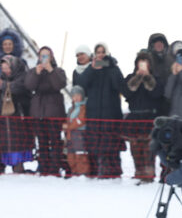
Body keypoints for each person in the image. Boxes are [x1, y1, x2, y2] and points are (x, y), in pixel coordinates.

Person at [76, 43, 124, 178]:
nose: (100, 54)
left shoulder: (114, 68)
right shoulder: (91, 69)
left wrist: (110, 67)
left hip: (111, 113)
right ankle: (97, 170)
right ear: (94, 54)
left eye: (103, 52)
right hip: (94, 113)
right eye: (98, 52)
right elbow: (81, 83)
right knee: (95, 143)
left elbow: (120, 85)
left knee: (111, 144)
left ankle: (114, 171)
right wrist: (92, 69)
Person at [23, 45, 67, 177]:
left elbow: (60, 84)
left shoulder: (58, 71)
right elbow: (29, 86)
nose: (44, 58)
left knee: (55, 140)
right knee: (41, 141)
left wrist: (50, 70)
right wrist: (36, 73)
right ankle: (43, 167)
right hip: (38, 111)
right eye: (42, 55)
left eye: (46, 55)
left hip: (54, 111)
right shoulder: (33, 71)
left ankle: (55, 168)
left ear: (51, 57)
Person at [123, 50, 164, 182]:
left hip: (150, 117)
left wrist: (147, 79)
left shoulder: (156, 78)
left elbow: (157, 94)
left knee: (149, 149)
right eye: (140, 63)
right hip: (134, 118)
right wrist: (137, 78)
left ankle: (148, 175)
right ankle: (138, 172)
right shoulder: (130, 77)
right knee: (135, 148)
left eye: (145, 63)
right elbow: (127, 93)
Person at [64, 86, 89, 176]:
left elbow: (80, 120)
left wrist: (69, 126)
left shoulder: (84, 107)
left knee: (80, 153)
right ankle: (74, 171)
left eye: (78, 95)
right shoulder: (71, 108)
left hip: (79, 134)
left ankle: (82, 172)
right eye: (74, 96)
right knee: (70, 154)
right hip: (71, 135)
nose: (76, 98)